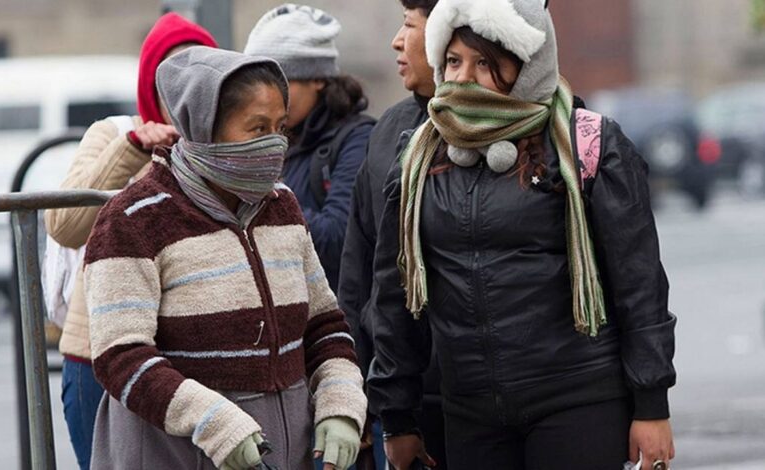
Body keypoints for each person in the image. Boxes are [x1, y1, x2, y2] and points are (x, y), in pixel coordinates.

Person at [367, 1, 677, 469]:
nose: (463, 78)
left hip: (577, 402)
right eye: (453, 61)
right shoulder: (418, 159)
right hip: (470, 412)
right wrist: (398, 416)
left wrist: (652, 405)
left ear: (527, 69)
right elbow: (394, 295)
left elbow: (640, 285)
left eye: (485, 63)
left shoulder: (587, 146)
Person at [83, 46, 366, 470]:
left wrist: (340, 404)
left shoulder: (282, 207)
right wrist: (215, 424)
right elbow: (120, 356)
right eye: (256, 129)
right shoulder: (133, 219)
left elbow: (324, 325)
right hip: (176, 452)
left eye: (280, 127)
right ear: (205, 129)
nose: (274, 144)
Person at [43, 13, 217, 469]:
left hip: (193, 360)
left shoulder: (224, 148)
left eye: (195, 76)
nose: (182, 92)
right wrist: (135, 148)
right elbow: (64, 224)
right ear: (148, 83)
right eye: (169, 78)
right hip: (99, 358)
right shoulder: (114, 134)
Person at [336, 1, 449, 468]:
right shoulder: (390, 132)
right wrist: (353, 390)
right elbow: (359, 273)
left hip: (479, 397)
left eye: (409, 26)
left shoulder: (515, 136)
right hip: (401, 395)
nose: (396, 42)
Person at [243, 4, 374, 292]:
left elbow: (338, 239)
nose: (266, 100)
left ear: (317, 78)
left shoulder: (358, 139)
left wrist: (260, 187)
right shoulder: (269, 137)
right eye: (256, 88)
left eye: (280, 84)